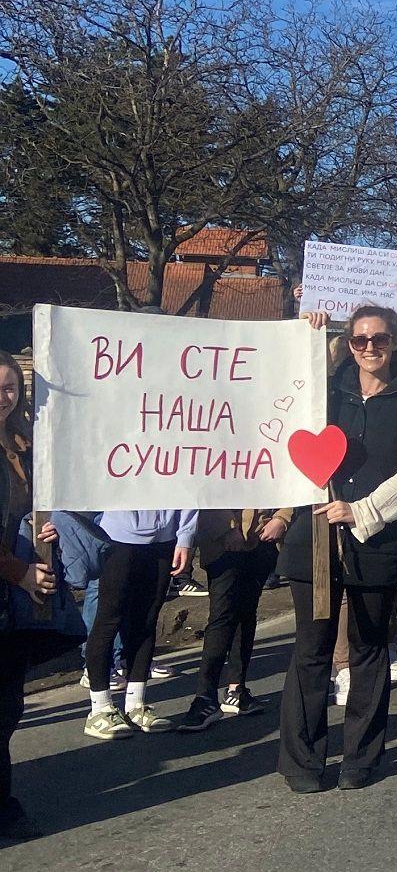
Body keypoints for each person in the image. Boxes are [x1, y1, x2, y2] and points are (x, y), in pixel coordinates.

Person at [278, 307, 397, 793]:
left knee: (367, 649)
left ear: (395, 342)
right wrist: (310, 335)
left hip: (376, 541)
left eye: (379, 339)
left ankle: (360, 758)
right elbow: (283, 399)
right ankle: (302, 761)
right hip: (314, 540)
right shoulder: (324, 390)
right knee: (311, 649)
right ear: (348, 344)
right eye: (360, 339)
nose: (369, 348)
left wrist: (361, 510)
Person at [1, 351, 84, 840]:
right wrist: (20, 573)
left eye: (11, 387)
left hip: (12, 600)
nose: (4, 396)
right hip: (12, 582)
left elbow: (27, 511)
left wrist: (44, 528)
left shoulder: (23, 444)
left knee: (8, 705)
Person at [82, 505, 194, 738]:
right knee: (108, 621)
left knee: (147, 621)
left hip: (164, 539)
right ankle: (99, 708)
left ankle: (136, 704)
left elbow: (189, 490)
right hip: (117, 537)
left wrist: (185, 536)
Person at [180, 505, 285, 730]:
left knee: (247, 614)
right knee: (221, 618)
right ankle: (205, 697)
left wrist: (282, 518)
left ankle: (236, 689)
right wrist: (227, 528)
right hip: (222, 541)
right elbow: (210, 490)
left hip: (262, 537)